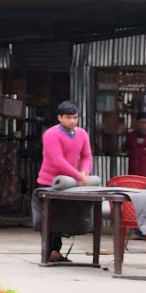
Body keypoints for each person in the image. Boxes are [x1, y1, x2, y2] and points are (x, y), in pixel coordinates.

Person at [36, 100, 98, 263]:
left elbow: (87, 156)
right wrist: (79, 176)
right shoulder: (51, 134)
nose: (72, 121)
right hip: (51, 182)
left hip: (72, 183)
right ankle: (50, 252)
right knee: (50, 219)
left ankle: (56, 251)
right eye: (68, 117)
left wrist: (85, 172)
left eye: (75, 117)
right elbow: (57, 160)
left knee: (65, 218)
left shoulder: (82, 134)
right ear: (60, 117)